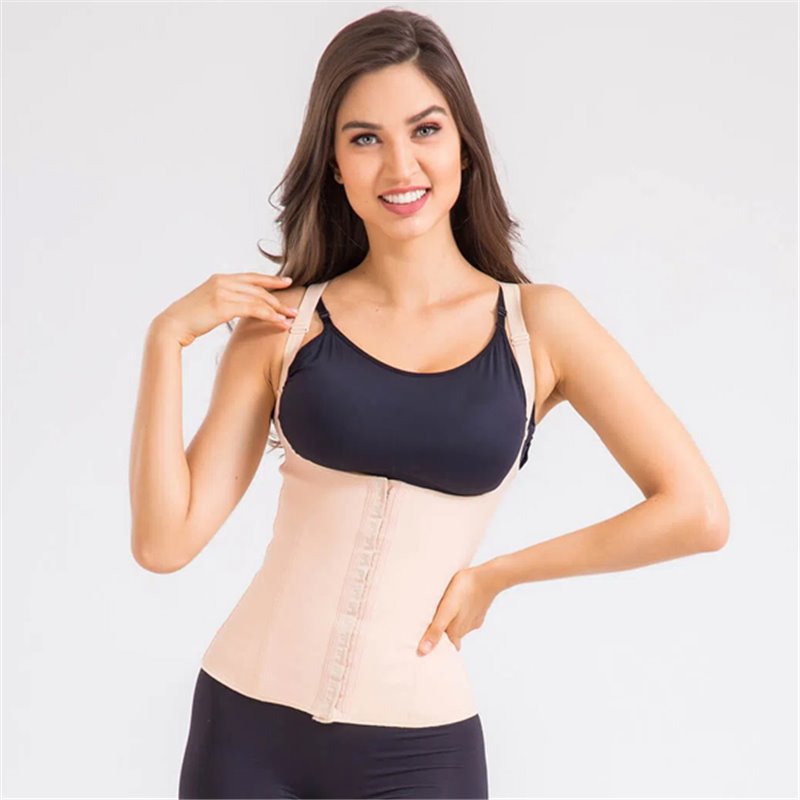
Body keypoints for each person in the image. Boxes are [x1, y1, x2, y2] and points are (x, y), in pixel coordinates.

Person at [129, 8, 729, 799]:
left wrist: (498, 576)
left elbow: (696, 512)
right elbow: (164, 542)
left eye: (425, 129)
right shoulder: (284, 324)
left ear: (463, 146)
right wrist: (165, 339)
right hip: (245, 730)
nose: (400, 165)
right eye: (365, 138)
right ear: (334, 164)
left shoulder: (540, 326)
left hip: (422, 752)